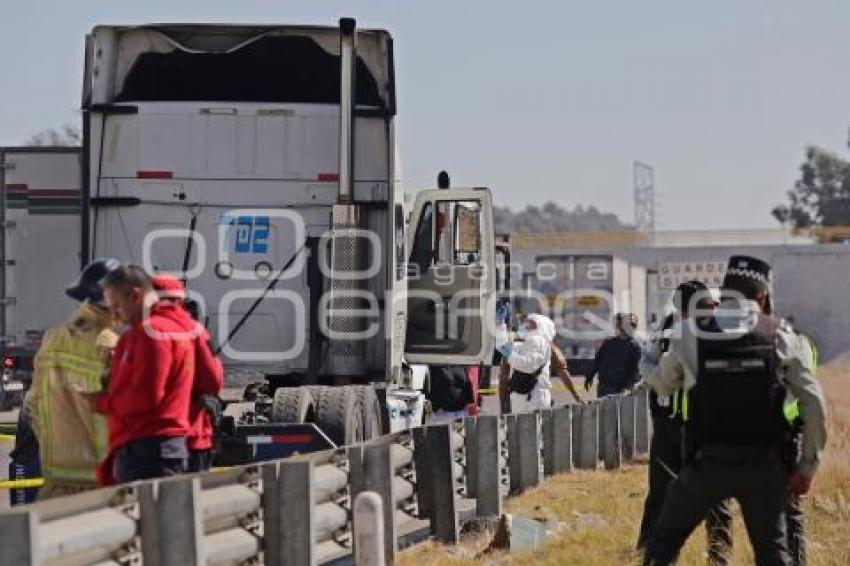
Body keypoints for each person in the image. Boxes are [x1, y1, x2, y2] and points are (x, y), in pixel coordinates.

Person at [643, 256, 828, 565]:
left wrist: (650, 365)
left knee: (662, 544)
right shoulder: (780, 335)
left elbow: (663, 386)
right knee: (774, 555)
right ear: (763, 295)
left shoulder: (690, 332)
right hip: (765, 468)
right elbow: (814, 404)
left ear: (724, 292)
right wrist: (807, 468)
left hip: (707, 466)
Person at [637, 281, 733, 564]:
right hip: (669, 424)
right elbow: (647, 362)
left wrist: (658, 376)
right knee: (660, 495)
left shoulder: (721, 331)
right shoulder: (668, 326)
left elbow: (663, 375)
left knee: (717, 500)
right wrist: (654, 375)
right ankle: (647, 554)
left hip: (709, 426)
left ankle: (719, 556)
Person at [88, 264, 197, 484]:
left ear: (135, 296)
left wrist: (100, 402)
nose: (115, 317)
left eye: (117, 306)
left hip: (147, 448)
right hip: (156, 447)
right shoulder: (169, 329)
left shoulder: (151, 334)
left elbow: (146, 395)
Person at [25, 258, 121, 498]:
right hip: (101, 485)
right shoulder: (112, 347)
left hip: (56, 481)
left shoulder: (52, 339)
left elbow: (33, 404)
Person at [151, 274, 224, 473]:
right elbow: (213, 382)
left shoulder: (137, 333)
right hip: (193, 434)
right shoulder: (194, 332)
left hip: (150, 440)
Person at [497, 313, 556, 412]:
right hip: (527, 396)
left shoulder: (538, 341)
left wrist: (508, 353)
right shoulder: (528, 342)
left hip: (533, 396)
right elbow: (507, 348)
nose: (525, 325)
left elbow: (529, 365)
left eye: (531, 324)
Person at [586, 313, 641, 397]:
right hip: (604, 388)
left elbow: (636, 370)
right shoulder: (608, 343)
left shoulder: (634, 347)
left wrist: (629, 386)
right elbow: (597, 360)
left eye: (633, 325)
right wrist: (590, 375)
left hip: (622, 390)